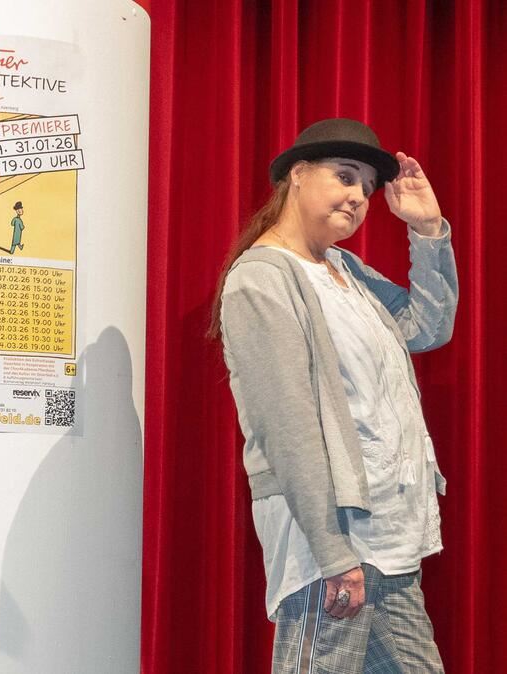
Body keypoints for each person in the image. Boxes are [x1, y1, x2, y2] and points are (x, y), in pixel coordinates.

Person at [210, 118, 456, 672]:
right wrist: (332, 553)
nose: (358, 196)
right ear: (298, 174)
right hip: (331, 542)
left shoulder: (345, 270)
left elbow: (428, 326)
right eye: (345, 177)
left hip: (390, 538)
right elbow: (288, 426)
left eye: (367, 187)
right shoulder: (263, 278)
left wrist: (428, 230)